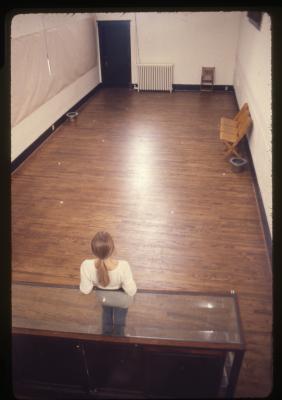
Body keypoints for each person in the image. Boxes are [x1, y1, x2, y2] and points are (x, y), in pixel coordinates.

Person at [80, 231, 137, 335]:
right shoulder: (123, 266)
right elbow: (131, 291)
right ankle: (119, 339)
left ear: (93, 250)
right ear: (113, 249)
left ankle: (106, 337)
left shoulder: (86, 265)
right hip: (122, 301)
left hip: (104, 299)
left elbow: (85, 290)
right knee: (120, 322)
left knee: (106, 315)